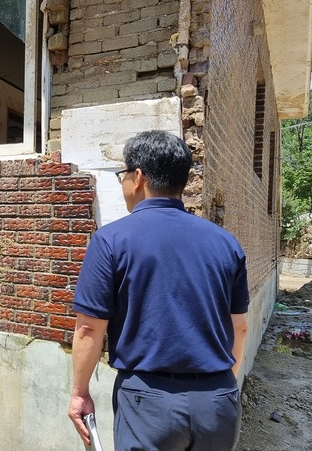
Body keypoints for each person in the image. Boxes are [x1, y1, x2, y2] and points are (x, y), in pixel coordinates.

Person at [68, 130, 249, 451]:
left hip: (148, 404)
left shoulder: (111, 240)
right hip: (219, 402)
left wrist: (80, 393)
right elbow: (240, 327)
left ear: (138, 177)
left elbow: (88, 329)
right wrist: (220, 387)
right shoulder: (226, 243)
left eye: (123, 175)